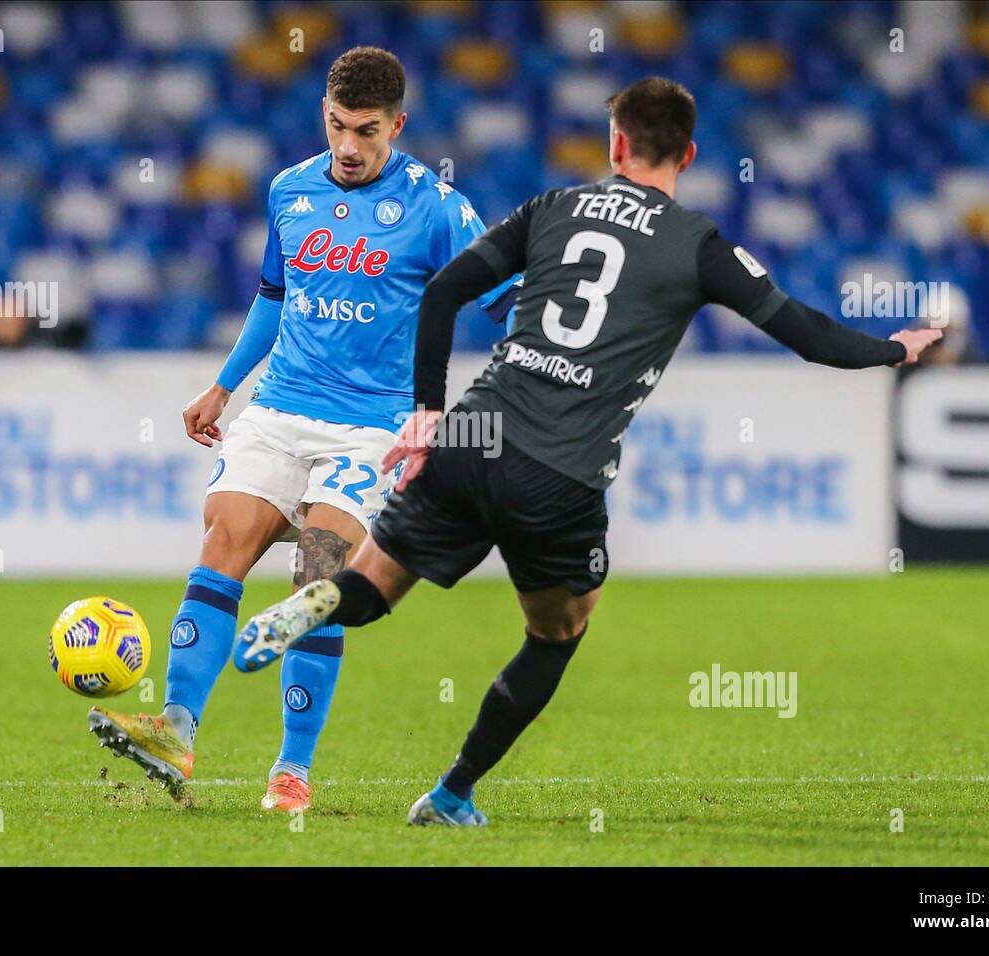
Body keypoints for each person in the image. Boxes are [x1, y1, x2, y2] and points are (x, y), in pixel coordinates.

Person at [231, 76, 942, 825]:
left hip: (475, 433)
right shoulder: (701, 245)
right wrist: (894, 348)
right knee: (560, 627)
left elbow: (441, 292)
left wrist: (427, 416)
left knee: (372, 587)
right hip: (560, 470)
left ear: (618, 145)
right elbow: (808, 335)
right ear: (690, 153)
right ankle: (451, 793)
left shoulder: (554, 207)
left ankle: (311, 601)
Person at [88, 47, 516, 812]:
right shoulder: (290, 189)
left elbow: (504, 299)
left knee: (318, 579)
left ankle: (292, 771)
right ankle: (174, 733)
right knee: (223, 540)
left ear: (399, 125)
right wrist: (223, 386)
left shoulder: (438, 207)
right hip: (282, 405)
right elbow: (275, 297)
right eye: (336, 125)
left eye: (367, 131)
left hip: (373, 429)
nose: (348, 146)